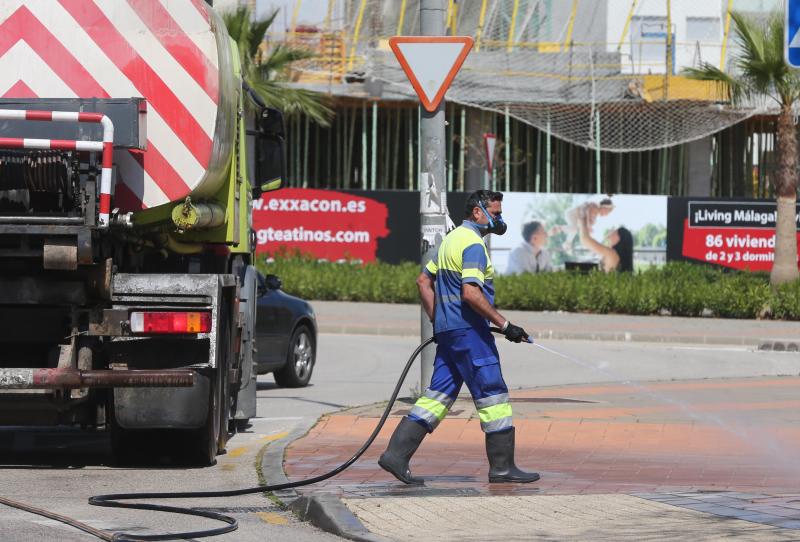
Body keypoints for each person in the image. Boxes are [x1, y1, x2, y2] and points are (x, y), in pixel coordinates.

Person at [378, 190, 540, 485]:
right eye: (495, 211)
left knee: (438, 396)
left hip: (450, 333)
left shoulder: (450, 240)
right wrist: (506, 326)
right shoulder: (474, 245)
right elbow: (471, 293)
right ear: (477, 212)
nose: (499, 218)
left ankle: (395, 455)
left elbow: (423, 281)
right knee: (493, 394)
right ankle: (502, 468)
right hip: (470, 333)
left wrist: (437, 320)